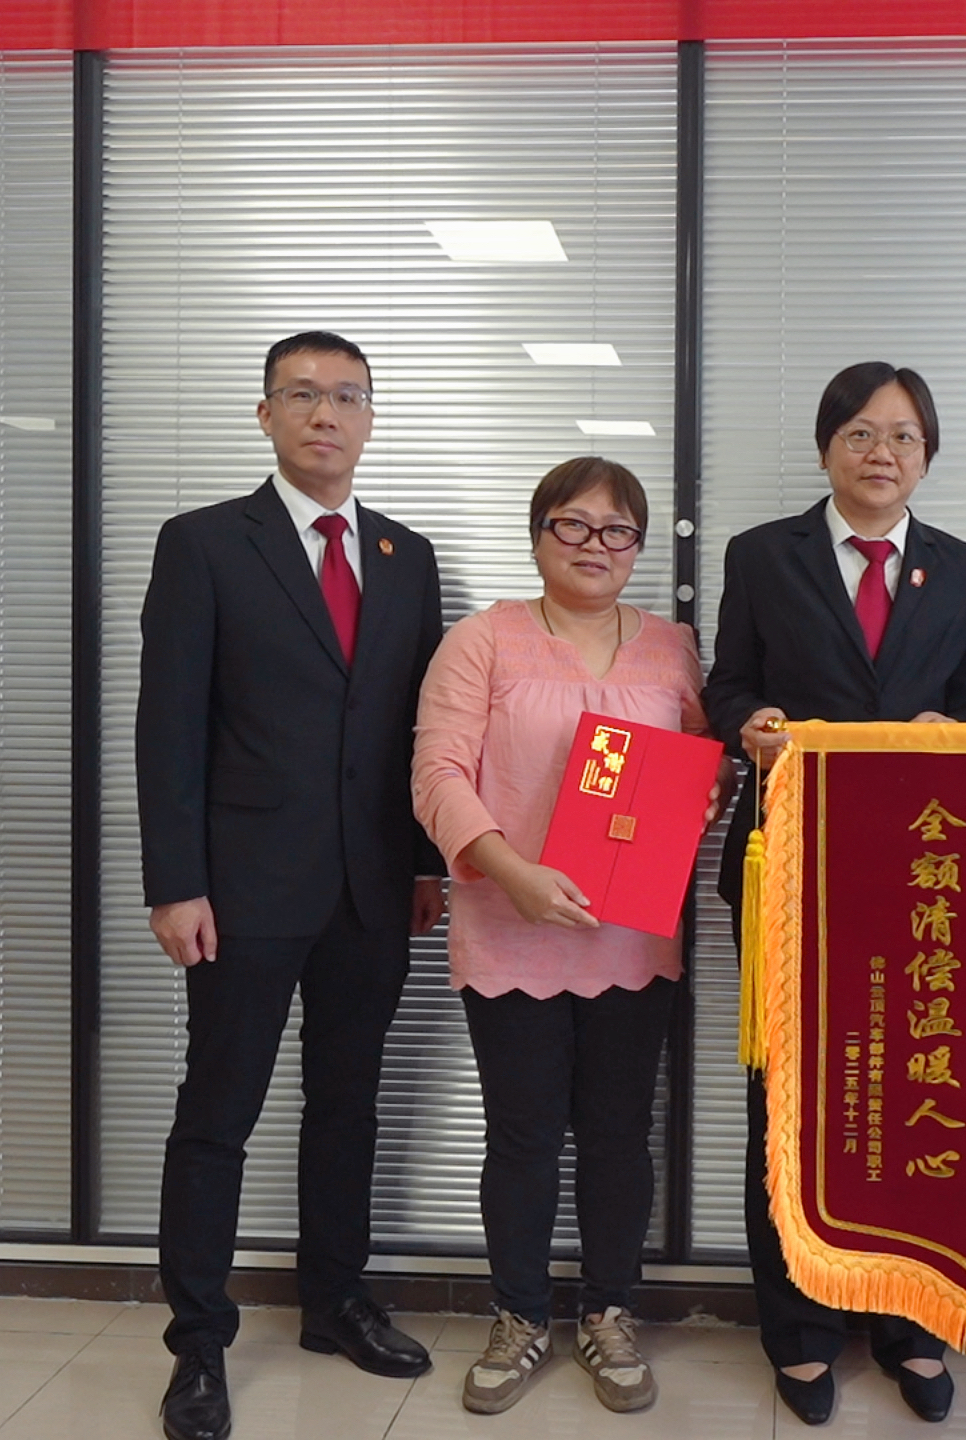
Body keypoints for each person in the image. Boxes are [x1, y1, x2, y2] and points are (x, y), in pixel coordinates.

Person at [136, 331, 447, 1440]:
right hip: (243, 891)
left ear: (371, 419)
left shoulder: (407, 557)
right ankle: (198, 1343)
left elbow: (419, 727)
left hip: (373, 888)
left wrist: (423, 863)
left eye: (347, 396)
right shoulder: (205, 544)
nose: (326, 414)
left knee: (348, 1106)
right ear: (264, 414)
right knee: (218, 1114)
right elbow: (168, 725)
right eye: (303, 395)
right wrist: (175, 885)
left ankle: (335, 1301)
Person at [704, 360, 966, 1426]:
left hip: (923, 876)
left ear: (928, 455)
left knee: (919, 1091)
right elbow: (727, 686)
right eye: (862, 433)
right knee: (787, 1101)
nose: (883, 453)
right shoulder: (761, 554)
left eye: (905, 436)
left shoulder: (962, 567)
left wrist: (952, 735)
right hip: (791, 862)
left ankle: (910, 1323)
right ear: (828, 447)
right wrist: (749, 725)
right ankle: (799, 1331)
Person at [412, 457, 721, 1418]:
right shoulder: (482, 640)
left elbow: (704, 764)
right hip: (512, 932)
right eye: (573, 525)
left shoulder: (672, 647)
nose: (596, 545)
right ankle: (519, 1315)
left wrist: (702, 796)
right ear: (539, 532)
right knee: (523, 1135)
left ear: (639, 547)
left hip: (631, 939)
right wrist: (512, 872)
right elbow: (437, 774)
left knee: (620, 1136)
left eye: (617, 530)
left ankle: (609, 1313)